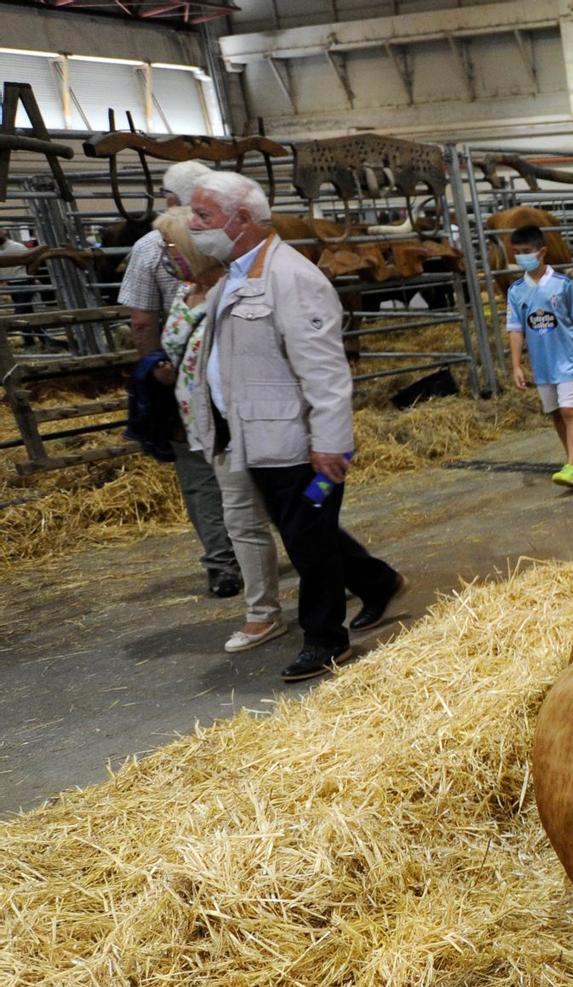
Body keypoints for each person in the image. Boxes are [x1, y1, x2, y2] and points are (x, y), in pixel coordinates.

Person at [189, 170, 405, 682]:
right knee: (306, 528)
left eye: (203, 216)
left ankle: (326, 639)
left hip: (299, 444)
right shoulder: (235, 276)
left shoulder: (294, 279)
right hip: (257, 436)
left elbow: (326, 373)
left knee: (307, 539)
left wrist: (331, 444)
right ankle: (377, 581)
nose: (194, 225)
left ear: (241, 219)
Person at [152, 207, 286, 656]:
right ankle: (268, 610)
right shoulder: (185, 292)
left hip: (247, 420)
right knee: (250, 517)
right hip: (209, 425)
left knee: (281, 514)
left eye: (173, 245)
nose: (168, 254)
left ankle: (268, 613)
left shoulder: (236, 289)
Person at [122, 158, 240, 599]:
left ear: (171, 198)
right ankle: (282, 548)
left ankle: (222, 565)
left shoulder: (152, 245)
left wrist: (155, 368)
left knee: (199, 476)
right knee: (248, 470)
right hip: (228, 375)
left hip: (182, 380)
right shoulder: (227, 235)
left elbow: (140, 319)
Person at [504, 224, 573, 490]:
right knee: (556, 413)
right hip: (542, 364)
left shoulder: (563, 285)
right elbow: (515, 329)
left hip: (568, 358)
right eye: (517, 252)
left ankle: (571, 467)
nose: (522, 257)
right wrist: (516, 366)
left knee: (570, 410)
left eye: (527, 251)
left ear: (542, 251)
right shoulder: (516, 290)